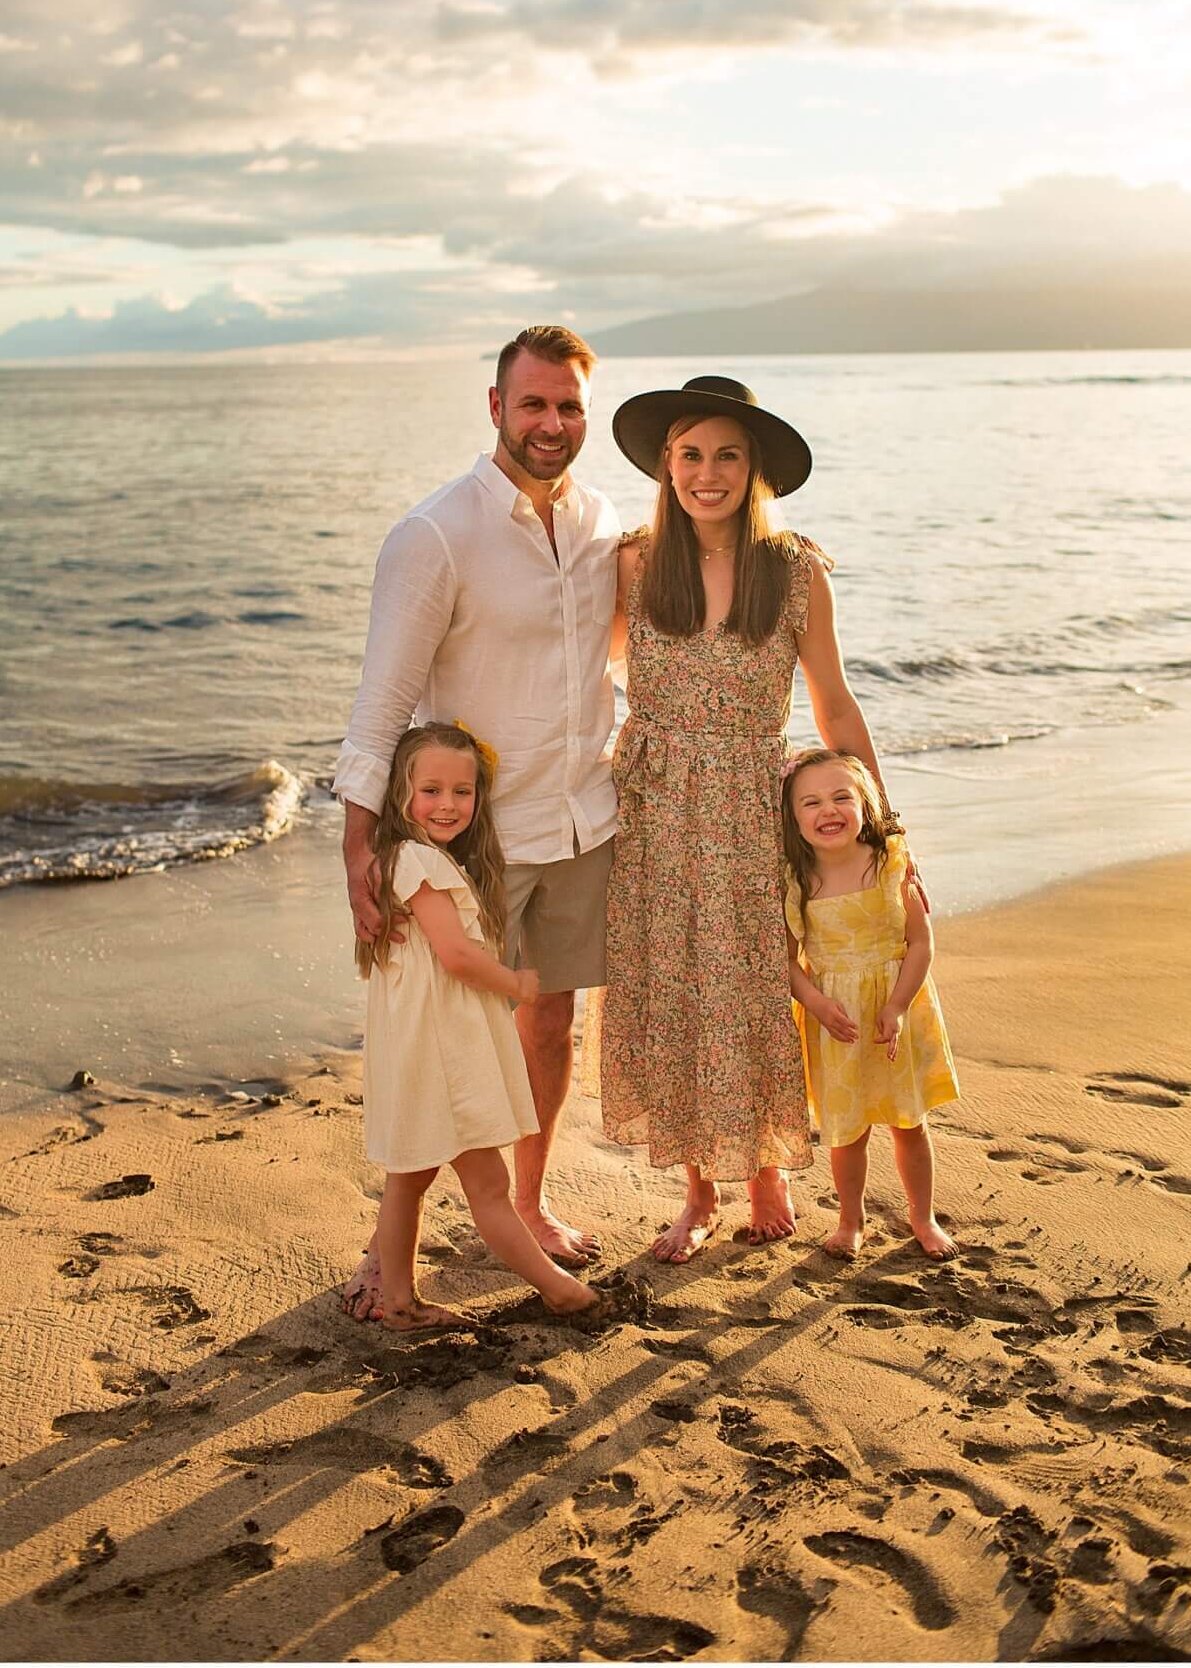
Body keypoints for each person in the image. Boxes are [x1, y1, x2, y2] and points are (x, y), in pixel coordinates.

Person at [336, 323, 619, 1289]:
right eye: (533, 403)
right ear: (495, 407)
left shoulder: (602, 525)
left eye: (569, 405)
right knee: (450, 1042)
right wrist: (357, 852)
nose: (551, 422)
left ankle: (526, 1203)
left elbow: (630, 650)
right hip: (476, 847)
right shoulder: (433, 533)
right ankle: (396, 1245)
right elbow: (381, 703)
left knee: (551, 1024)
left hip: (584, 819)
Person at [599, 375, 889, 1263]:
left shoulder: (795, 570)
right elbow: (571, 675)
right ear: (666, 464)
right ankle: (696, 1192)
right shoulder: (635, 562)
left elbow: (832, 703)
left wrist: (885, 827)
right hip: (650, 804)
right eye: (689, 454)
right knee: (673, 989)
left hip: (746, 800)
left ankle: (766, 1163)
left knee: (760, 981)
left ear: (754, 466)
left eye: (727, 454)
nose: (707, 472)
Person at [344, 722, 598, 1328]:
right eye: (430, 790)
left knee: (408, 1178)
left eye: (463, 791)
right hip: (443, 1054)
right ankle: (562, 1292)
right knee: (487, 1183)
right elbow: (456, 956)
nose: (448, 805)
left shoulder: (407, 859)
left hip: (421, 1047)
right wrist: (515, 983)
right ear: (399, 796)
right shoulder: (418, 862)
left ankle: (400, 1302)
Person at [783, 748, 959, 1259]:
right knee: (847, 1130)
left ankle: (922, 1217)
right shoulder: (797, 879)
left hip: (896, 1007)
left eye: (842, 797)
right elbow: (786, 960)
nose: (828, 810)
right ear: (794, 819)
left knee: (909, 1122)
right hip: (837, 1018)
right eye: (811, 802)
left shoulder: (892, 862)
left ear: (866, 803)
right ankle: (849, 1220)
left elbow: (921, 943)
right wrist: (815, 1002)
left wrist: (898, 1005)